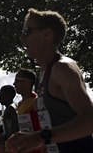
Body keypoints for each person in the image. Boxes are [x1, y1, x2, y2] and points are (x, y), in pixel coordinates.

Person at [6, 8, 93, 152]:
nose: (22, 39)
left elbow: (90, 120)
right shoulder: (45, 72)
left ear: (47, 34)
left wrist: (42, 137)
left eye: (27, 31)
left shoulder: (62, 68)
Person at [13, 68, 41, 153]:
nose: (14, 84)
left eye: (17, 80)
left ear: (28, 82)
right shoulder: (20, 104)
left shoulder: (37, 101)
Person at [0, 85, 19, 152]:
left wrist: (4, 137)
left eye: (1, 95)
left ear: (8, 95)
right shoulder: (14, 106)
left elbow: (16, 125)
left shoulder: (10, 108)